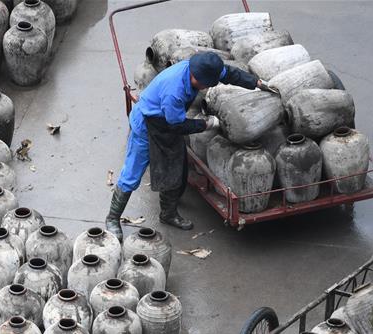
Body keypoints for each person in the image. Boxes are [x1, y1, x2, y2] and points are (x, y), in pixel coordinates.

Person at [106, 51, 274, 240]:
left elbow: (229, 73)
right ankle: (112, 218)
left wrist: (256, 83)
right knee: (132, 174)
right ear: (197, 78)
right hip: (148, 125)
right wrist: (206, 124)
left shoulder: (202, 69)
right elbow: (176, 125)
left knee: (176, 168)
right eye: (204, 84)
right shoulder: (174, 92)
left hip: (167, 124)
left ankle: (168, 214)